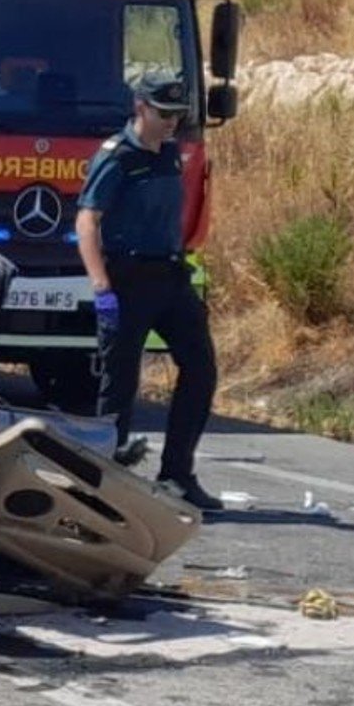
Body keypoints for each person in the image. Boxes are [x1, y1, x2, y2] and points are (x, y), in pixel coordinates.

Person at [74, 70, 221, 512]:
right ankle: (103, 482)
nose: (172, 121)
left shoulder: (170, 154)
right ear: (141, 108)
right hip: (127, 278)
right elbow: (86, 221)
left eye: (177, 113)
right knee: (119, 384)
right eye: (164, 113)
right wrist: (101, 286)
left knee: (201, 368)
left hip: (170, 277)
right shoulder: (117, 157)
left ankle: (177, 473)